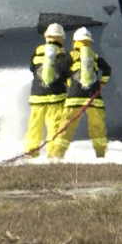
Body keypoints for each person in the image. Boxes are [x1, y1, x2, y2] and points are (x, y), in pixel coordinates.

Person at [57, 26, 114, 158]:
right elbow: (107, 70)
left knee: (66, 127)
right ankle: (100, 155)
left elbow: (60, 70)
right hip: (94, 98)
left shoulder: (71, 55)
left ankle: (57, 155)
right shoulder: (95, 56)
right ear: (89, 42)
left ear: (75, 42)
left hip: (74, 98)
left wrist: (68, 83)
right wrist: (102, 83)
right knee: (98, 128)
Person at [25, 22, 70, 157]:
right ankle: (53, 153)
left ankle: (31, 150)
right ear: (61, 38)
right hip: (56, 97)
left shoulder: (37, 50)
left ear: (46, 37)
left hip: (37, 96)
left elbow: (32, 68)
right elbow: (67, 75)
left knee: (34, 125)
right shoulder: (64, 55)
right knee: (55, 126)